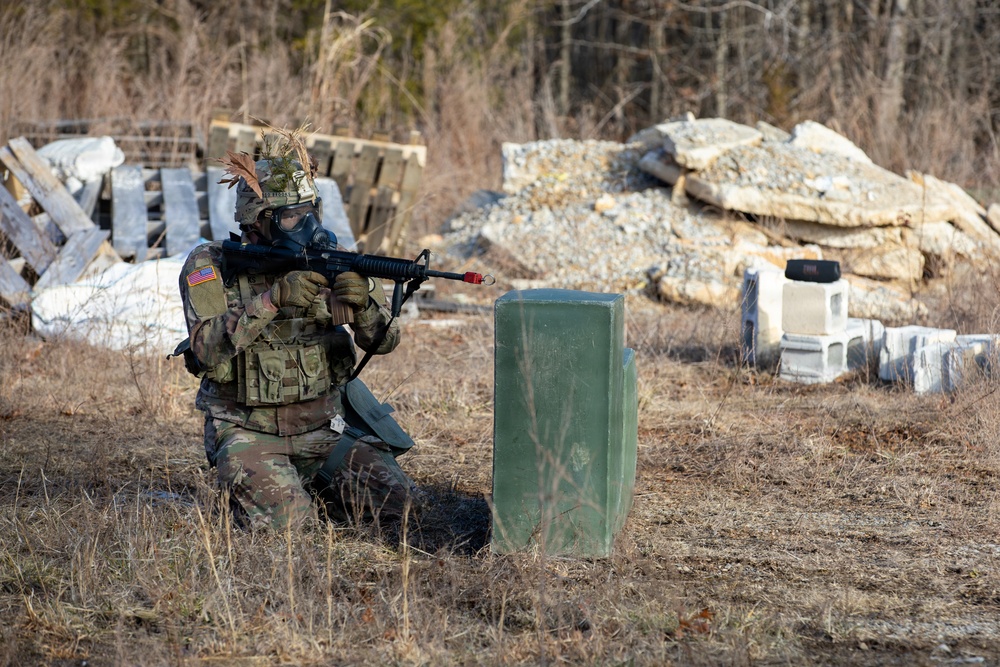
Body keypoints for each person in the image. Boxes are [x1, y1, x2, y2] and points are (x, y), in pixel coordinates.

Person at [178, 154, 419, 530]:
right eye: (292, 216)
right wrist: (272, 300)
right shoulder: (211, 265)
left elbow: (385, 341)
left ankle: (314, 488)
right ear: (257, 221)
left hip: (324, 430)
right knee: (293, 531)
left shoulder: (328, 260)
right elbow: (206, 351)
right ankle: (277, 494)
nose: (306, 225)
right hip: (249, 431)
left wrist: (363, 306)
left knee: (402, 509)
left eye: (310, 212)